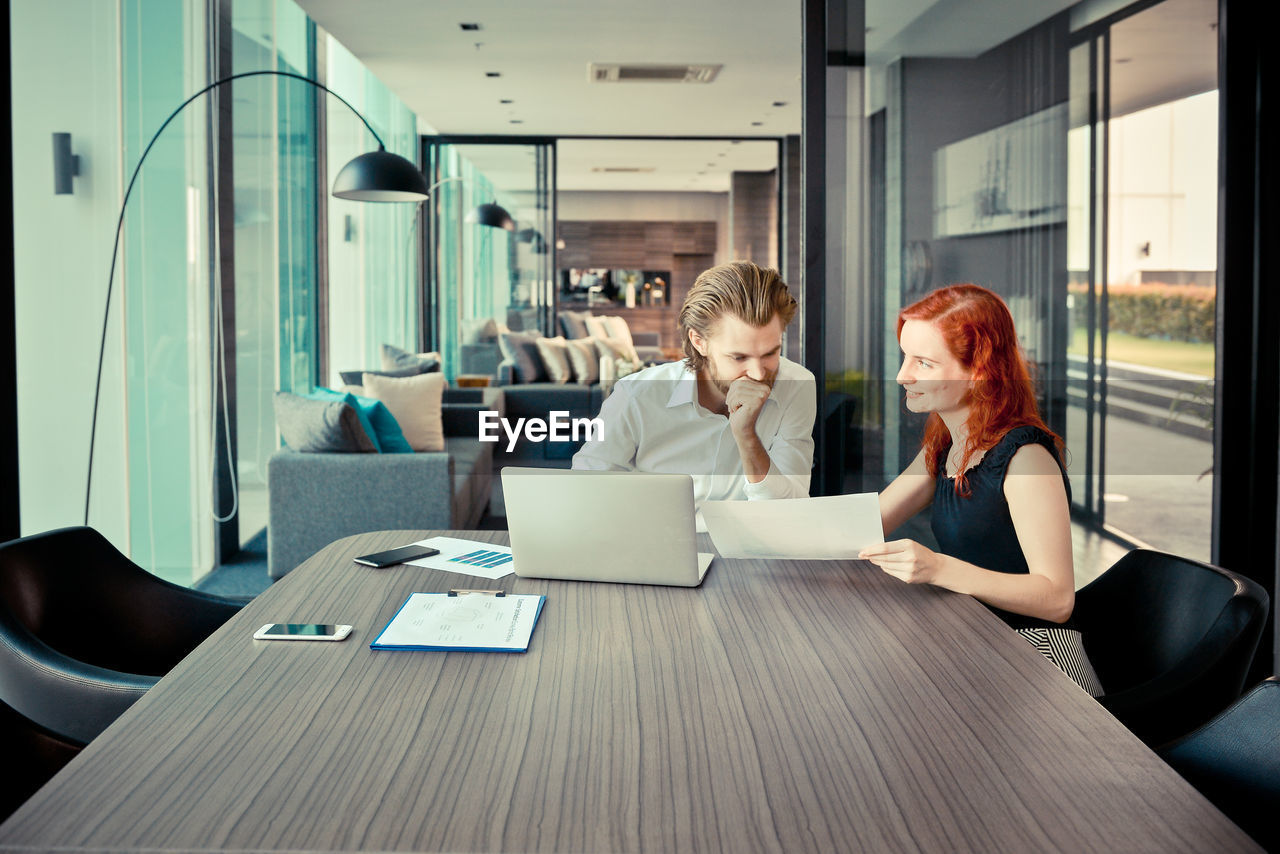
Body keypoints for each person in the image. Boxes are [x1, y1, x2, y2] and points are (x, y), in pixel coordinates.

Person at [858, 283, 1103, 696]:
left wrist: (937, 569)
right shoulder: (945, 446)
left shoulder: (1026, 458)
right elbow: (867, 524)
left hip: (1040, 657)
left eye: (924, 362)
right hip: (980, 639)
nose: (903, 375)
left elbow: (1057, 599)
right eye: (905, 357)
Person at [572, 261, 816, 528]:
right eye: (738, 357)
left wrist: (747, 436)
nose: (758, 374)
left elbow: (790, 512)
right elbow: (585, 490)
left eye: (771, 353)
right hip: (656, 548)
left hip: (753, 553)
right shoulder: (637, 395)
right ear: (700, 342)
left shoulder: (796, 385)